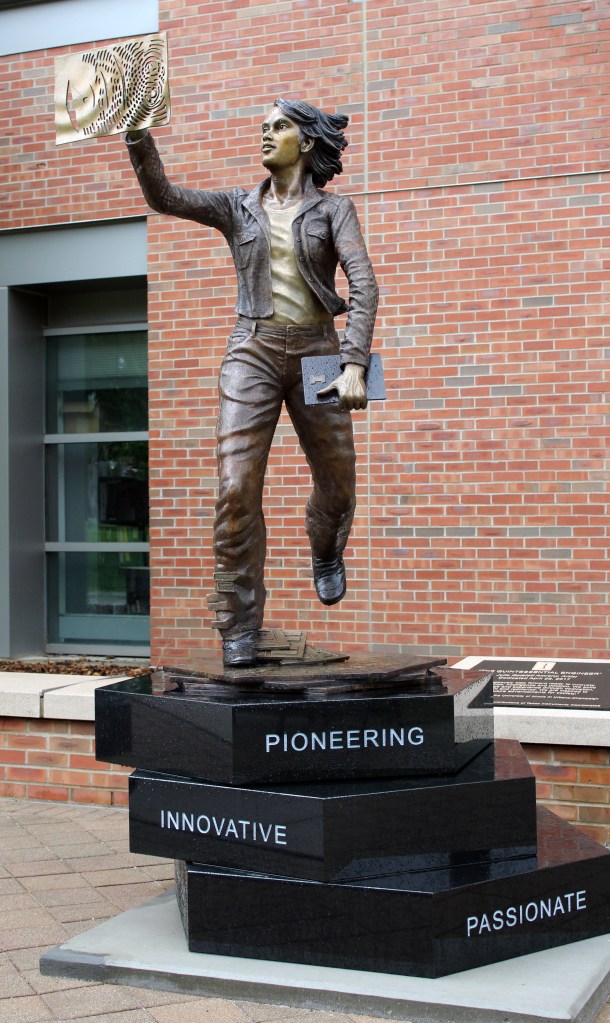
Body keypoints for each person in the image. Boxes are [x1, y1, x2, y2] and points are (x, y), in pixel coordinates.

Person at [125, 98, 378, 667]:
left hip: (319, 351)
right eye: (262, 126)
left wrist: (355, 363)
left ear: (306, 142)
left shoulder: (335, 211)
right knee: (236, 488)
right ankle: (240, 624)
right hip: (253, 351)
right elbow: (165, 196)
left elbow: (364, 285)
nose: (266, 134)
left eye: (279, 127)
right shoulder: (236, 208)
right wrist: (139, 137)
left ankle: (326, 550)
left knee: (338, 485)